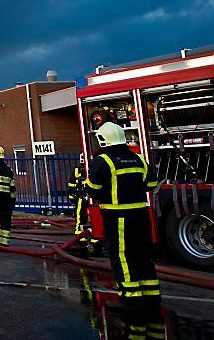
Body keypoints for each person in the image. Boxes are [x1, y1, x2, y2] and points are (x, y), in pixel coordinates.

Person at [86, 122, 164, 340]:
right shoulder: (138, 158)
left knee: (123, 258)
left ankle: (132, 302)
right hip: (140, 216)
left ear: (102, 140)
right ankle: (152, 300)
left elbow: (93, 189)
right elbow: (151, 183)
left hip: (117, 217)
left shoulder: (103, 161)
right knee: (143, 256)